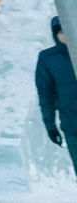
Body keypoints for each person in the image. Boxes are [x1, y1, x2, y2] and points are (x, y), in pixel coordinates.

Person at [38, 16, 75, 175]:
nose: (64, 35)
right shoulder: (48, 58)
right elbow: (45, 96)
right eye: (60, 32)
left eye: (67, 30)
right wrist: (51, 126)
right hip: (73, 126)